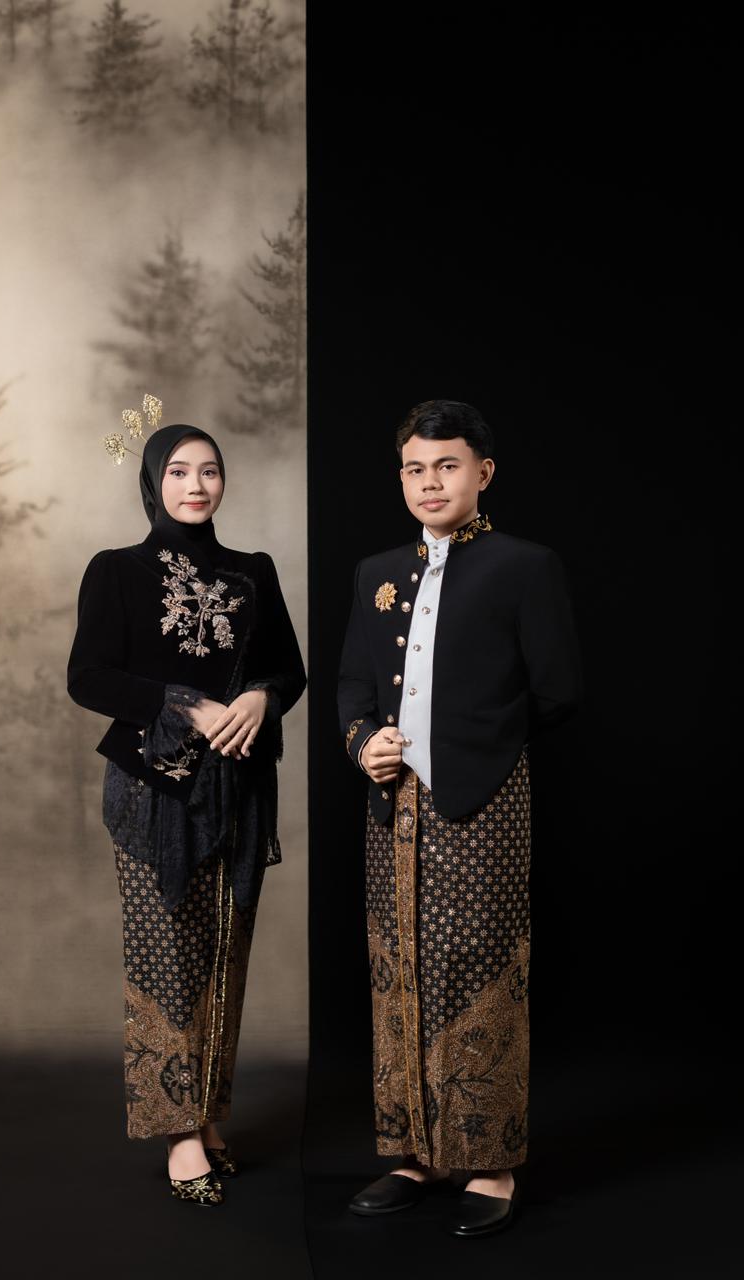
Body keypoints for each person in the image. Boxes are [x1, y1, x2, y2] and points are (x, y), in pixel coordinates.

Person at [337, 399, 582, 1237]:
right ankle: (414, 1153)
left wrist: (479, 745)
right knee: (398, 968)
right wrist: (362, 742)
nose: (430, 481)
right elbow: (352, 685)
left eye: (447, 465)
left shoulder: (524, 565)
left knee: (477, 970)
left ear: (483, 472)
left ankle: (488, 1161)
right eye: (415, 467)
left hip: (484, 797)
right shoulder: (376, 571)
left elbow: (558, 689)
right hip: (390, 803)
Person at [67, 422, 306, 1206]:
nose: (196, 485)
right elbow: (87, 676)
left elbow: (289, 670)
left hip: (238, 789)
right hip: (153, 791)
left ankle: (207, 1115)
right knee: (166, 954)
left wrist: (261, 696)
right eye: (178, 471)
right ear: (152, 481)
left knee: (224, 951)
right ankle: (177, 1131)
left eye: (209, 470)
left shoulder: (253, 571)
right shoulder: (118, 569)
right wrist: (185, 705)